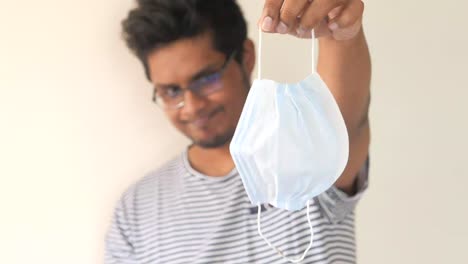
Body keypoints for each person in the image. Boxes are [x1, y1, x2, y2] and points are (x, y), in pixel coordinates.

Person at [105, 0, 371, 263]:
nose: (192, 107)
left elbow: (346, 120)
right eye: (172, 91)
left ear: (246, 57)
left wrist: (341, 34)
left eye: (206, 78)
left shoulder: (307, 155)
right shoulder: (135, 211)